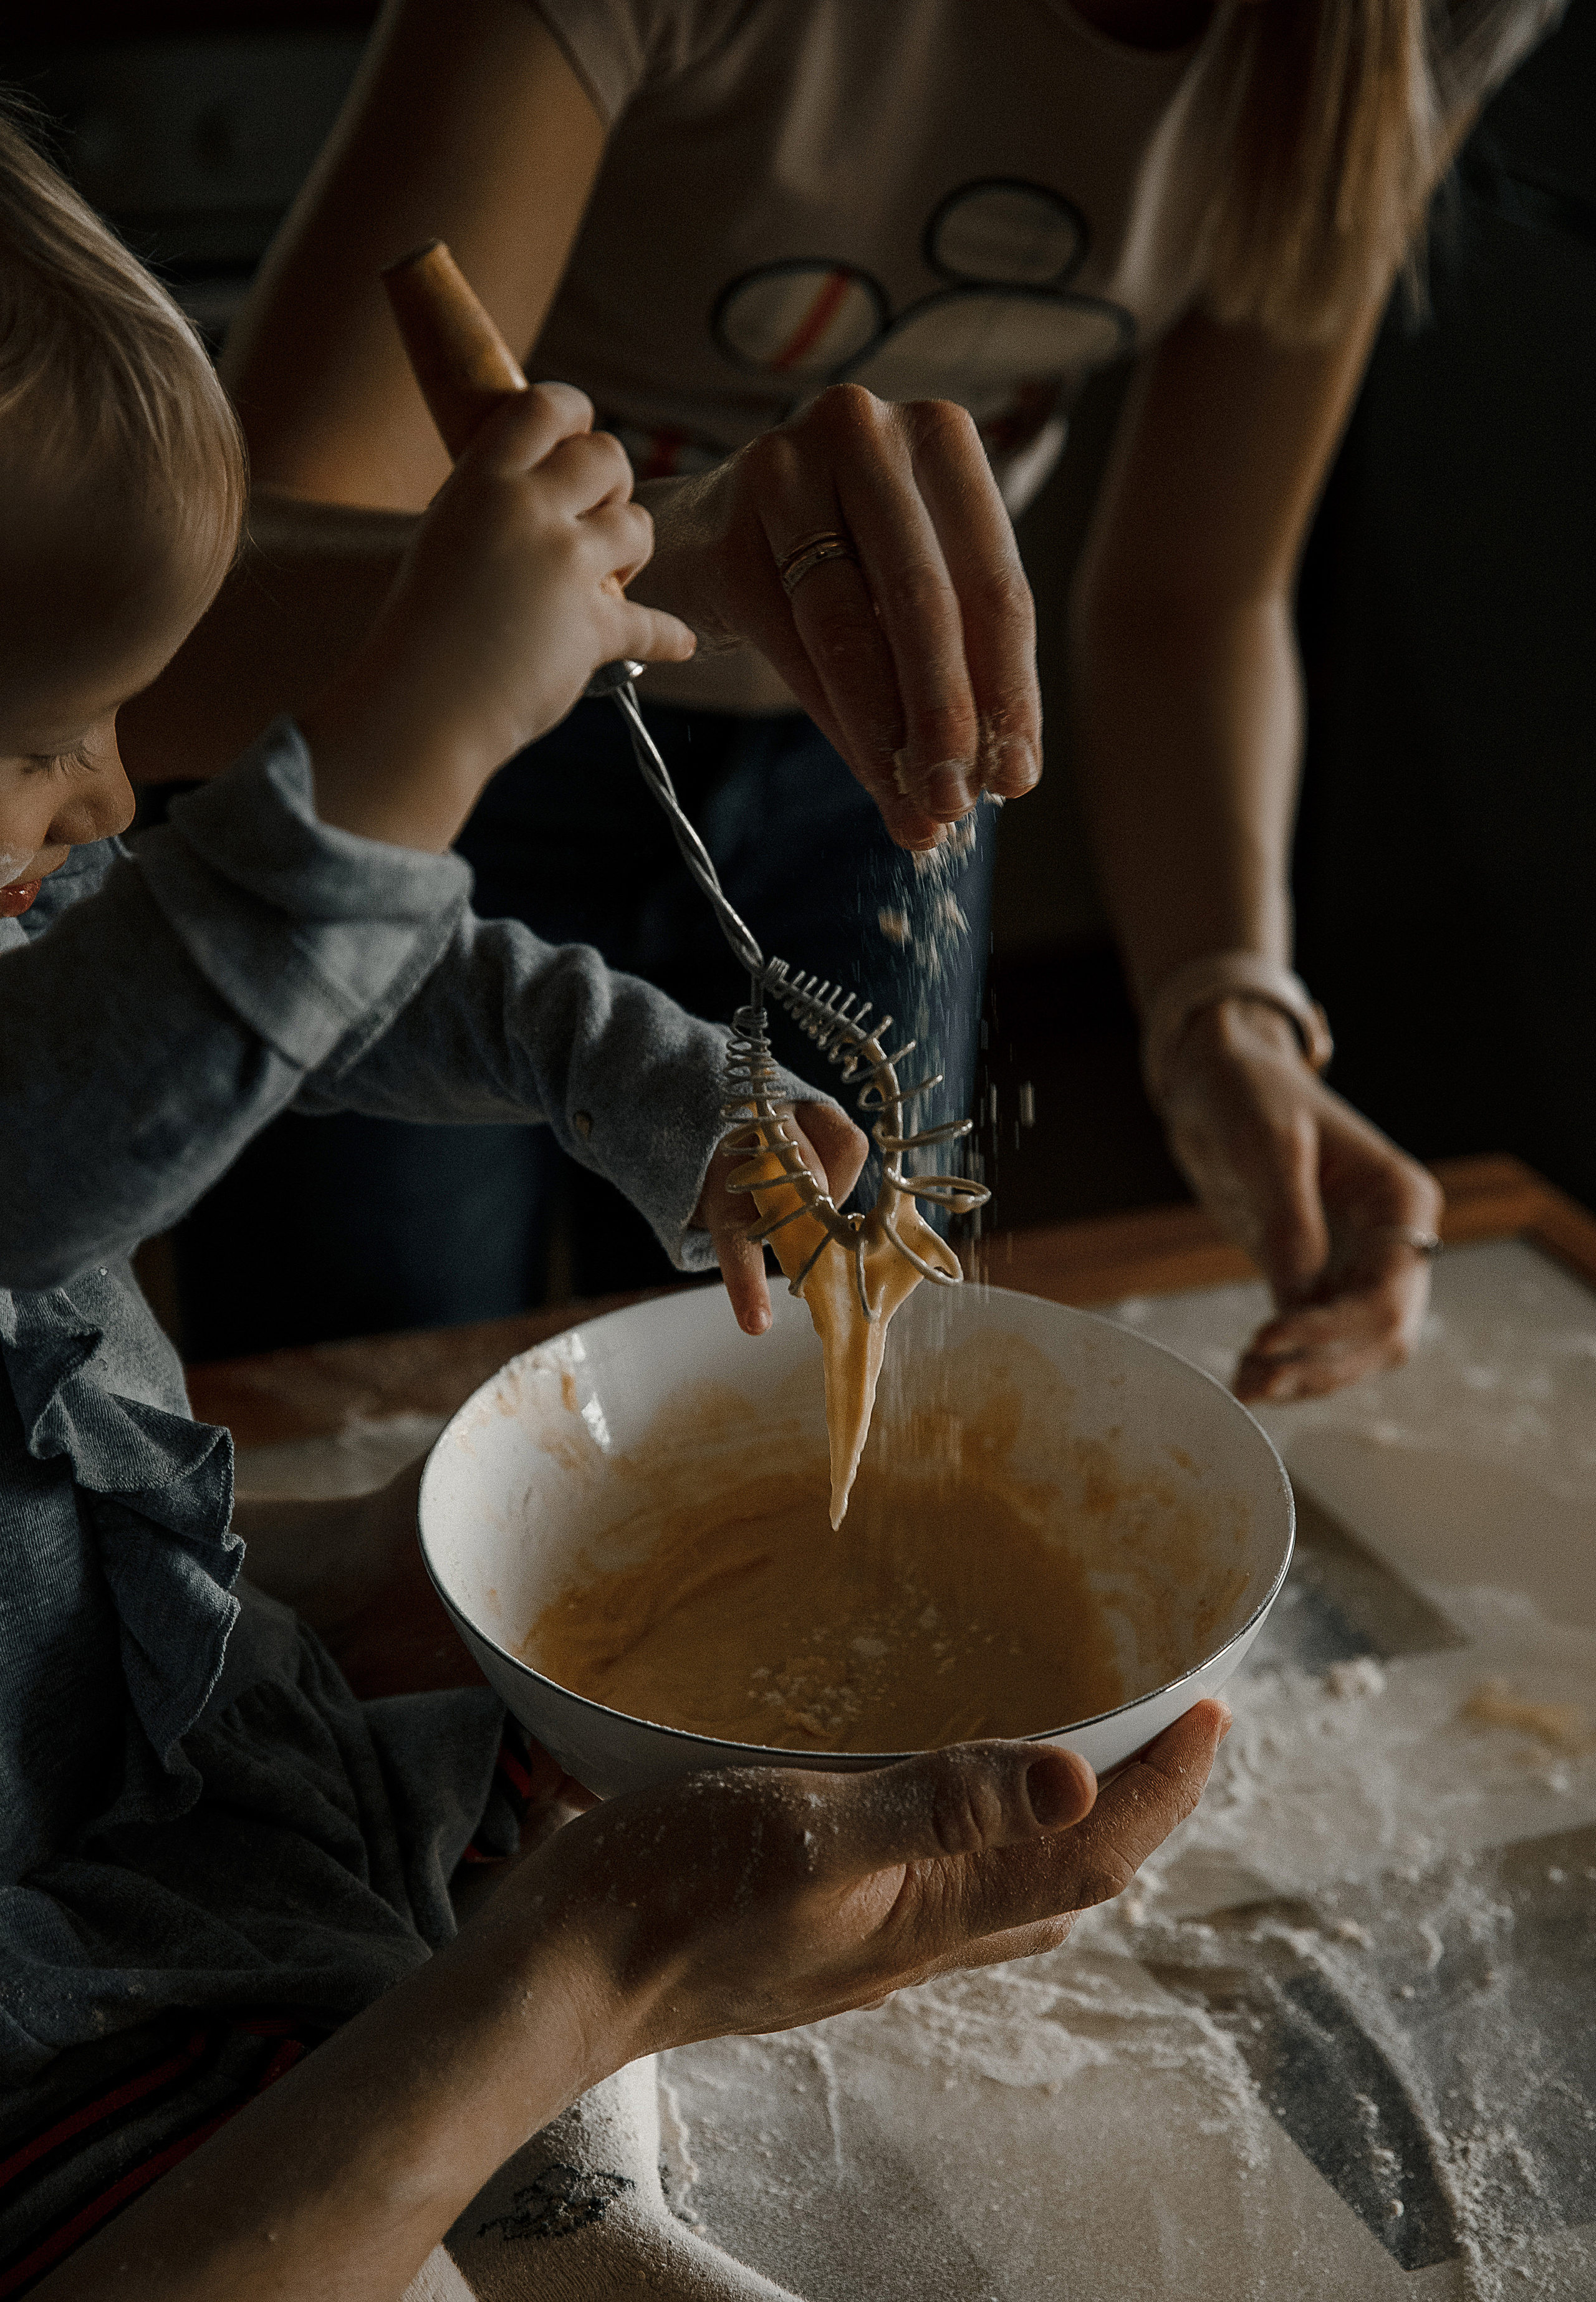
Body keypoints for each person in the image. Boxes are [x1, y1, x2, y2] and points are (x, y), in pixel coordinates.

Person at [0, 115, 1229, 2302]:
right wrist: (412, 727)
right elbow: (119, 1058)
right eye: (37, 743)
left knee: (478, 1838)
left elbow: (383, 980)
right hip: (32, 1964)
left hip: (166, 1731)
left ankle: (566, 2229)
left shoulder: (38, 902)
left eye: (108, 724)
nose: (103, 802)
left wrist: (684, 1100)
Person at [120, 0, 1562, 1387]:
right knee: (383, 1362)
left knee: (844, 1343)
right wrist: (666, 555)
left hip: (886, 774)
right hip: (438, 737)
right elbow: (216, 610)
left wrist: (1223, 1018)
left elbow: (1198, 598)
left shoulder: (1423, 21)